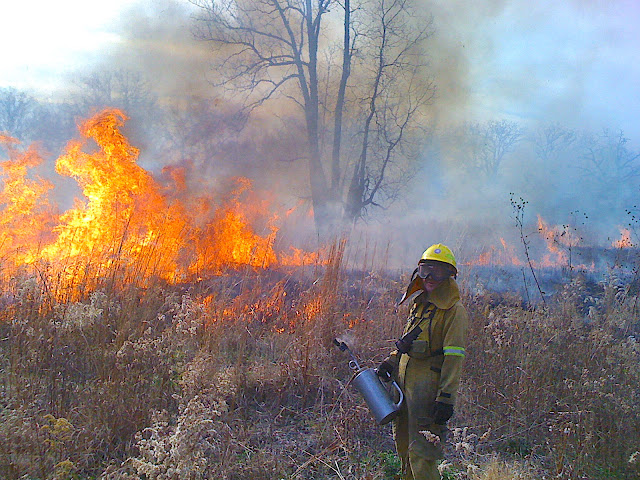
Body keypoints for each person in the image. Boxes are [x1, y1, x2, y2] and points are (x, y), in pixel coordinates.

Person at [376, 244, 468, 480]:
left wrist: (446, 398)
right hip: (404, 389)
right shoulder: (420, 304)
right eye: (426, 270)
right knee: (403, 447)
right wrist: (391, 362)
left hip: (427, 393)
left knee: (422, 454)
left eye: (438, 272)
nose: (430, 278)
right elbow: (407, 343)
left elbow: (454, 358)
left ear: (449, 276)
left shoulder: (454, 311)